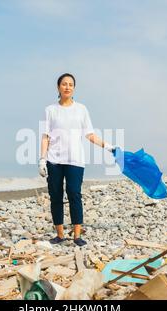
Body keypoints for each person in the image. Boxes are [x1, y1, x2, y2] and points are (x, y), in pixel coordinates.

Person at [39, 73, 115, 246]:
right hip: (54, 160)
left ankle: (77, 236)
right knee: (55, 196)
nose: (67, 87)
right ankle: (59, 235)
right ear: (58, 87)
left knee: (74, 194)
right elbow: (45, 137)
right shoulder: (50, 110)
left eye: (71, 84)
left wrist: (108, 146)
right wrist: (42, 159)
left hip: (75, 160)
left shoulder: (81, 109)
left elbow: (89, 134)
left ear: (74, 88)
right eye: (64, 84)